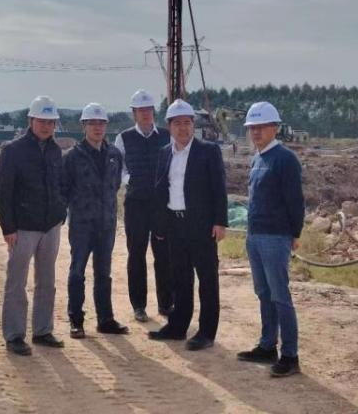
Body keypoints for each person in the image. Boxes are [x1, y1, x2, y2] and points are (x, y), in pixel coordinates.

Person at [149, 99, 228, 351]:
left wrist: (220, 222)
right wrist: (159, 224)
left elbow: (219, 188)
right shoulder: (164, 153)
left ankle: (206, 332)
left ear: (193, 125)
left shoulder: (208, 151)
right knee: (180, 278)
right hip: (175, 224)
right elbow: (160, 189)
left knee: (207, 279)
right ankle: (178, 326)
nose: (182, 128)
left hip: (201, 225)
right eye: (177, 123)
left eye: (187, 123)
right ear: (169, 126)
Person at [237, 102, 304, 377]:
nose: (256, 132)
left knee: (280, 296)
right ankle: (267, 346)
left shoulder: (285, 159)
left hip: (275, 237)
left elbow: (295, 201)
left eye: (261, 127)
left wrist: (295, 233)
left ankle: (290, 355)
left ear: (275, 128)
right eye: (252, 128)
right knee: (263, 293)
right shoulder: (258, 159)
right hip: (255, 235)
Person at [0, 95, 67, 355]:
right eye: (42, 121)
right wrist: (8, 228)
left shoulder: (55, 151)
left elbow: (60, 184)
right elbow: (4, 191)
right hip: (23, 227)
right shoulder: (13, 151)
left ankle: (42, 330)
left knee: (47, 281)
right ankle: (14, 334)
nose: (46, 126)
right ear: (30, 120)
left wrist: (61, 212)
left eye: (51, 122)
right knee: (17, 281)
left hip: (50, 225)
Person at [62, 103, 128, 338]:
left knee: (103, 273)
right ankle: (76, 320)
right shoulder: (72, 157)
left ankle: (105, 319)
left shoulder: (114, 155)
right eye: (92, 123)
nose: (97, 128)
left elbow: (114, 185)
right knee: (77, 271)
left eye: (101, 123)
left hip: (106, 224)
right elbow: (65, 189)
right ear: (84, 126)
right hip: (82, 225)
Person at [114, 89, 173, 322]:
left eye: (148, 109)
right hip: (136, 204)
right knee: (136, 253)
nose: (145, 113)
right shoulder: (124, 138)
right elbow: (119, 168)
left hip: (161, 204)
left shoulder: (166, 136)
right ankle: (138, 305)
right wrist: (131, 180)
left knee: (164, 254)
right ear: (134, 113)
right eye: (140, 110)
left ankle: (166, 304)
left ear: (153, 111)